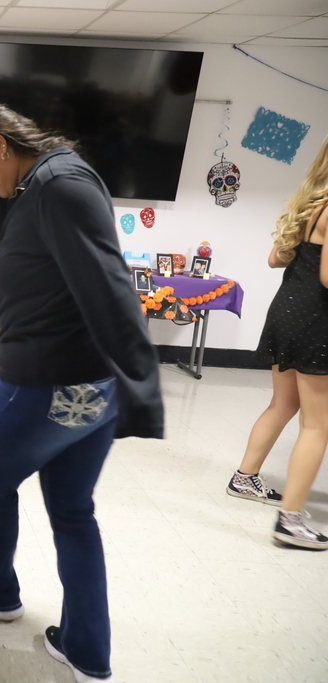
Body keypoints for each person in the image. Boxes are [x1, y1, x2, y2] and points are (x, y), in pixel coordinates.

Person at [0, 100, 163, 683]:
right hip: (85, 388)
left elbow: (110, 284)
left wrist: (143, 386)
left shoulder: (59, 185)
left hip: (48, 379)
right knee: (71, 510)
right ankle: (87, 651)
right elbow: (6, 261)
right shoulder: (37, 187)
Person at [227, 135, 328, 550]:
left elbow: (276, 258)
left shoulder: (310, 202)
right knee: (317, 425)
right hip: (317, 321)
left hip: (287, 312)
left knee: (283, 404)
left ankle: (245, 478)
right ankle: (290, 520)